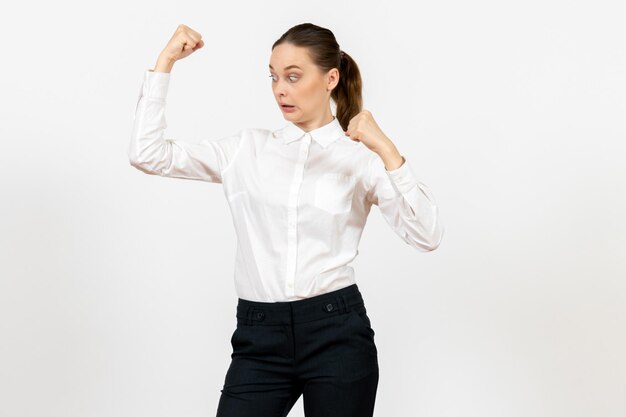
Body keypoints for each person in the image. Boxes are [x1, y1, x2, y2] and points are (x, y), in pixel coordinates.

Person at [129, 22, 444, 417]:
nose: (280, 89)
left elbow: (427, 234)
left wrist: (386, 149)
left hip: (337, 335)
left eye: (294, 77)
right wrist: (165, 62)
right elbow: (148, 154)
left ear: (331, 78)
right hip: (259, 337)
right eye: (274, 77)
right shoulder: (247, 150)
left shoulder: (360, 158)